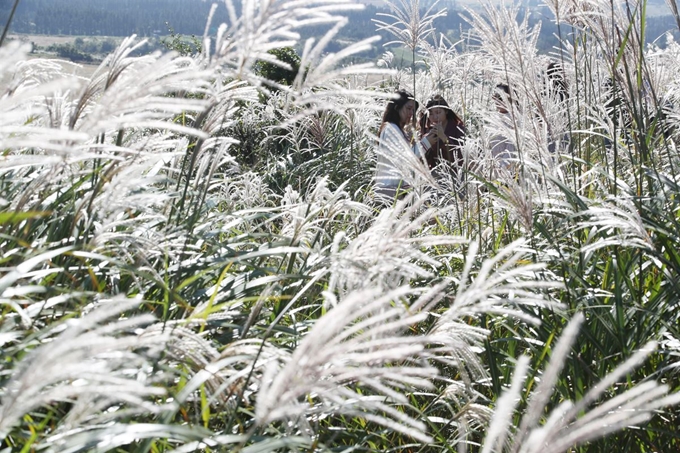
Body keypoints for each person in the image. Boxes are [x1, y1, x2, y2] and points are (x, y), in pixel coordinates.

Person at [375, 89, 440, 199]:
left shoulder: (396, 129)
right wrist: (426, 143)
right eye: (408, 108)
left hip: (393, 189)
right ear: (396, 108)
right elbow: (405, 160)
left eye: (413, 110)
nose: (411, 114)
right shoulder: (391, 129)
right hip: (389, 189)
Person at [418, 95, 466, 181]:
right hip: (433, 176)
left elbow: (460, 157)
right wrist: (427, 140)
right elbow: (421, 157)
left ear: (446, 111)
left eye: (438, 112)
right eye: (431, 114)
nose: (434, 117)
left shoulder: (457, 127)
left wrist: (444, 138)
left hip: (455, 175)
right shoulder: (427, 128)